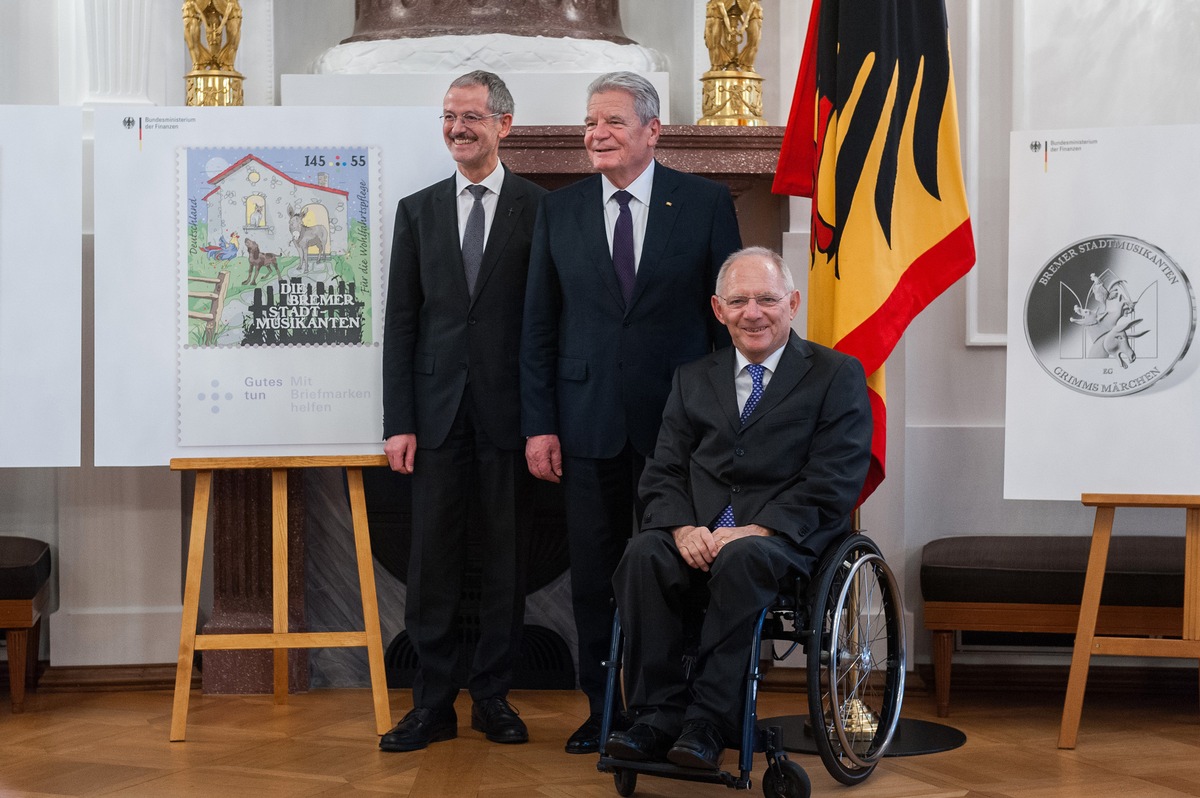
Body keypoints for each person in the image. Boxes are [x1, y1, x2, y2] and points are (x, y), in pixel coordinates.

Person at [520, 71, 742, 754]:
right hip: (585, 427)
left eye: (613, 121)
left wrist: (726, 426)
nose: (597, 133)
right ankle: (604, 708)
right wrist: (540, 425)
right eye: (591, 122)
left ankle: (686, 713)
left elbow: (728, 325)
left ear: (652, 130)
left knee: (681, 569)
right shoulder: (558, 212)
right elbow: (538, 329)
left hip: (680, 434)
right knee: (593, 574)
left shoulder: (703, 204)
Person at [604, 247, 872, 770]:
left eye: (767, 298)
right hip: (696, 532)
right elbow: (663, 469)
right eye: (739, 300)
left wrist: (758, 528)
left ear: (792, 303)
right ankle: (655, 717)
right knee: (643, 555)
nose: (753, 312)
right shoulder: (692, 378)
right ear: (718, 308)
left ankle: (707, 724)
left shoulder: (835, 374)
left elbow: (835, 476)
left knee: (742, 558)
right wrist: (681, 528)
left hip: (782, 543)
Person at [380, 70, 546, 752]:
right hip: (436, 416)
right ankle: (432, 703)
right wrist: (399, 420)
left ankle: (493, 698)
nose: (457, 128)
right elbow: (402, 324)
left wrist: (543, 421)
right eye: (449, 116)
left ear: (504, 124)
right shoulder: (417, 211)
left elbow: (545, 326)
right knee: (433, 563)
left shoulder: (540, 209)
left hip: (511, 418)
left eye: (471, 116)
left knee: (507, 562)